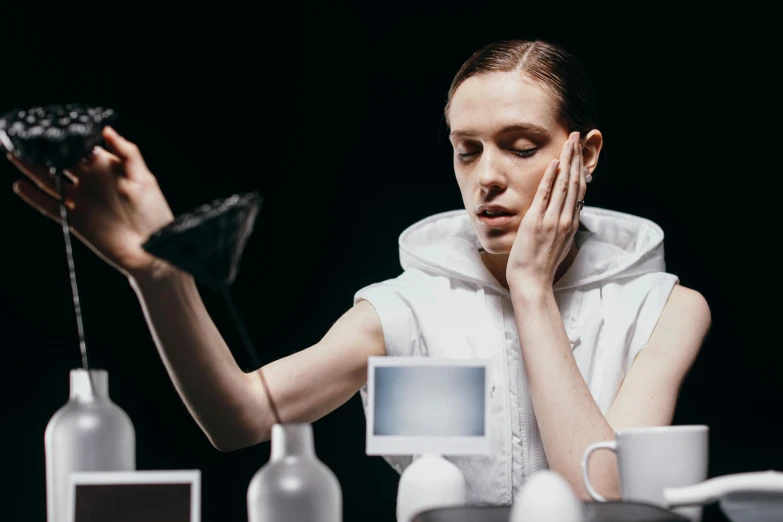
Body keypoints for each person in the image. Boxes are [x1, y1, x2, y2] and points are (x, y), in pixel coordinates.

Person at [8, 39, 710, 504]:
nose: (487, 177)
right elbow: (241, 417)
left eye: (520, 146)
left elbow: (604, 495)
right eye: (466, 151)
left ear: (584, 155)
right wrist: (157, 272)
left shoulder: (664, 308)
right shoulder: (404, 307)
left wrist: (530, 291)